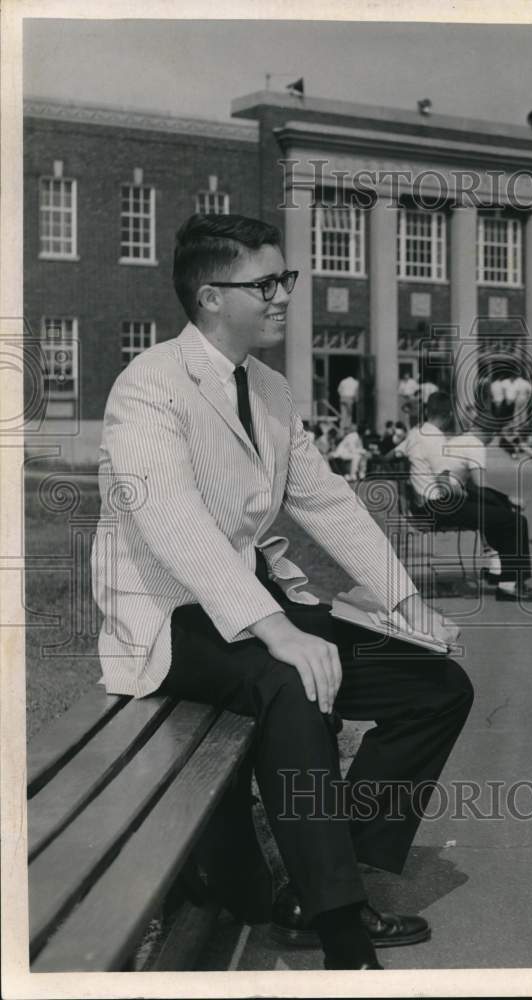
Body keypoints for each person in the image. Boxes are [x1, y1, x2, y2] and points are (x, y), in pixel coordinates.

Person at [90, 213, 472, 972]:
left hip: (252, 601)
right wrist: (277, 628)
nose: (283, 296)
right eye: (265, 283)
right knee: (292, 679)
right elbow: (174, 524)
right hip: (172, 619)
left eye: (284, 280)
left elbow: (325, 501)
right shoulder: (147, 388)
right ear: (207, 297)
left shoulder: (265, 386)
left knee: (436, 686)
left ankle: (328, 864)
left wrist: (401, 601)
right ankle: (338, 928)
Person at [395, 391, 532, 602]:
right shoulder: (439, 440)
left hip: (423, 504)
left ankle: (499, 571)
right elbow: (453, 485)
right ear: (447, 415)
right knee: (515, 521)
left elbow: (392, 455)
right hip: (439, 506)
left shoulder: (415, 433)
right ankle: (509, 585)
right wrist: (463, 494)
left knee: (496, 512)